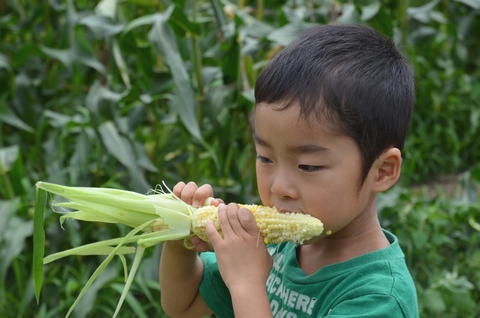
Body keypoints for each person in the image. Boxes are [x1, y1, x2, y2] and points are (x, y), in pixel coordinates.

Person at [159, 23, 419, 318]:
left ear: (382, 171)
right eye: (265, 158)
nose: (279, 187)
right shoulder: (277, 247)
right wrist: (181, 240)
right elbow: (183, 306)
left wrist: (246, 284)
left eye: (308, 166)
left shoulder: (378, 297)